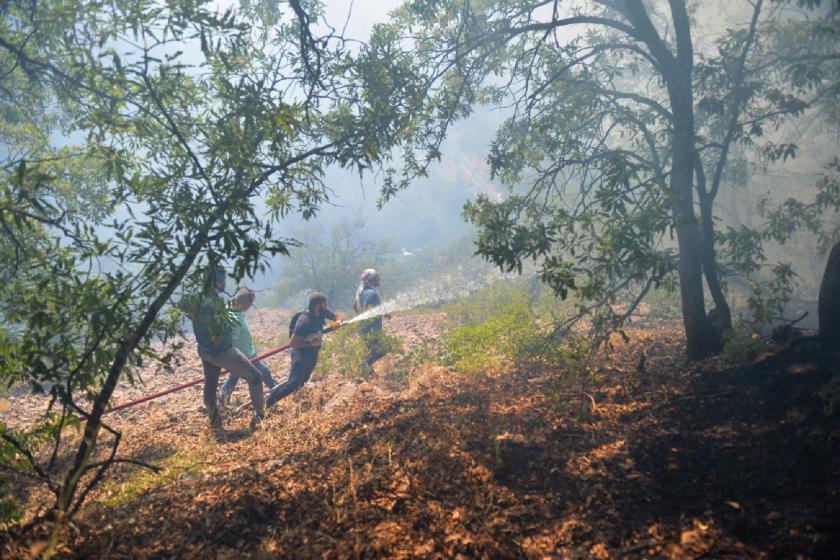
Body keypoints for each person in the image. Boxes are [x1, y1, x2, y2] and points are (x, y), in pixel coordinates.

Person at [188, 267, 265, 430]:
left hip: (204, 350)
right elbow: (219, 331)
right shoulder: (213, 301)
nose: (225, 284)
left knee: (210, 385)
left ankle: (214, 423)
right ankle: (261, 418)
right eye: (223, 281)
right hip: (221, 351)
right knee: (256, 377)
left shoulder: (198, 299)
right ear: (215, 282)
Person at [266, 292, 340, 407]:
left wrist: (337, 322)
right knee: (293, 383)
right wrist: (312, 343)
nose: (327, 306)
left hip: (312, 352)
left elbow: (335, 317)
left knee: (304, 378)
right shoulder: (304, 320)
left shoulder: (321, 312)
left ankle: (298, 401)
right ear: (318, 305)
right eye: (325, 304)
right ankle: (267, 405)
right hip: (300, 353)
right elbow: (292, 343)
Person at [218, 287, 279, 407]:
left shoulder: (233, 310)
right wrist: (235, 359)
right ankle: (275, 388)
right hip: (244, 355)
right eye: (251, 304)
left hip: (245, 353)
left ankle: (222, 400)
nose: (251, 306)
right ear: (246, 302)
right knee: (262, 371)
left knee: (234, 377)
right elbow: (231, 340)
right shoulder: (233, 316)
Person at [353, 268, 386, 365]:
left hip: (363, 330)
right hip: (371, 330)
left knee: (371, 352)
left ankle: (366, 372)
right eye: (377, 277)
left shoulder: (361, 291)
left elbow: (355, 307)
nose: (379, 279)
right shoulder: (371, 293)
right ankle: (365, 366)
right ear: (372, 279)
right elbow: (367, 308)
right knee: (381, 350)